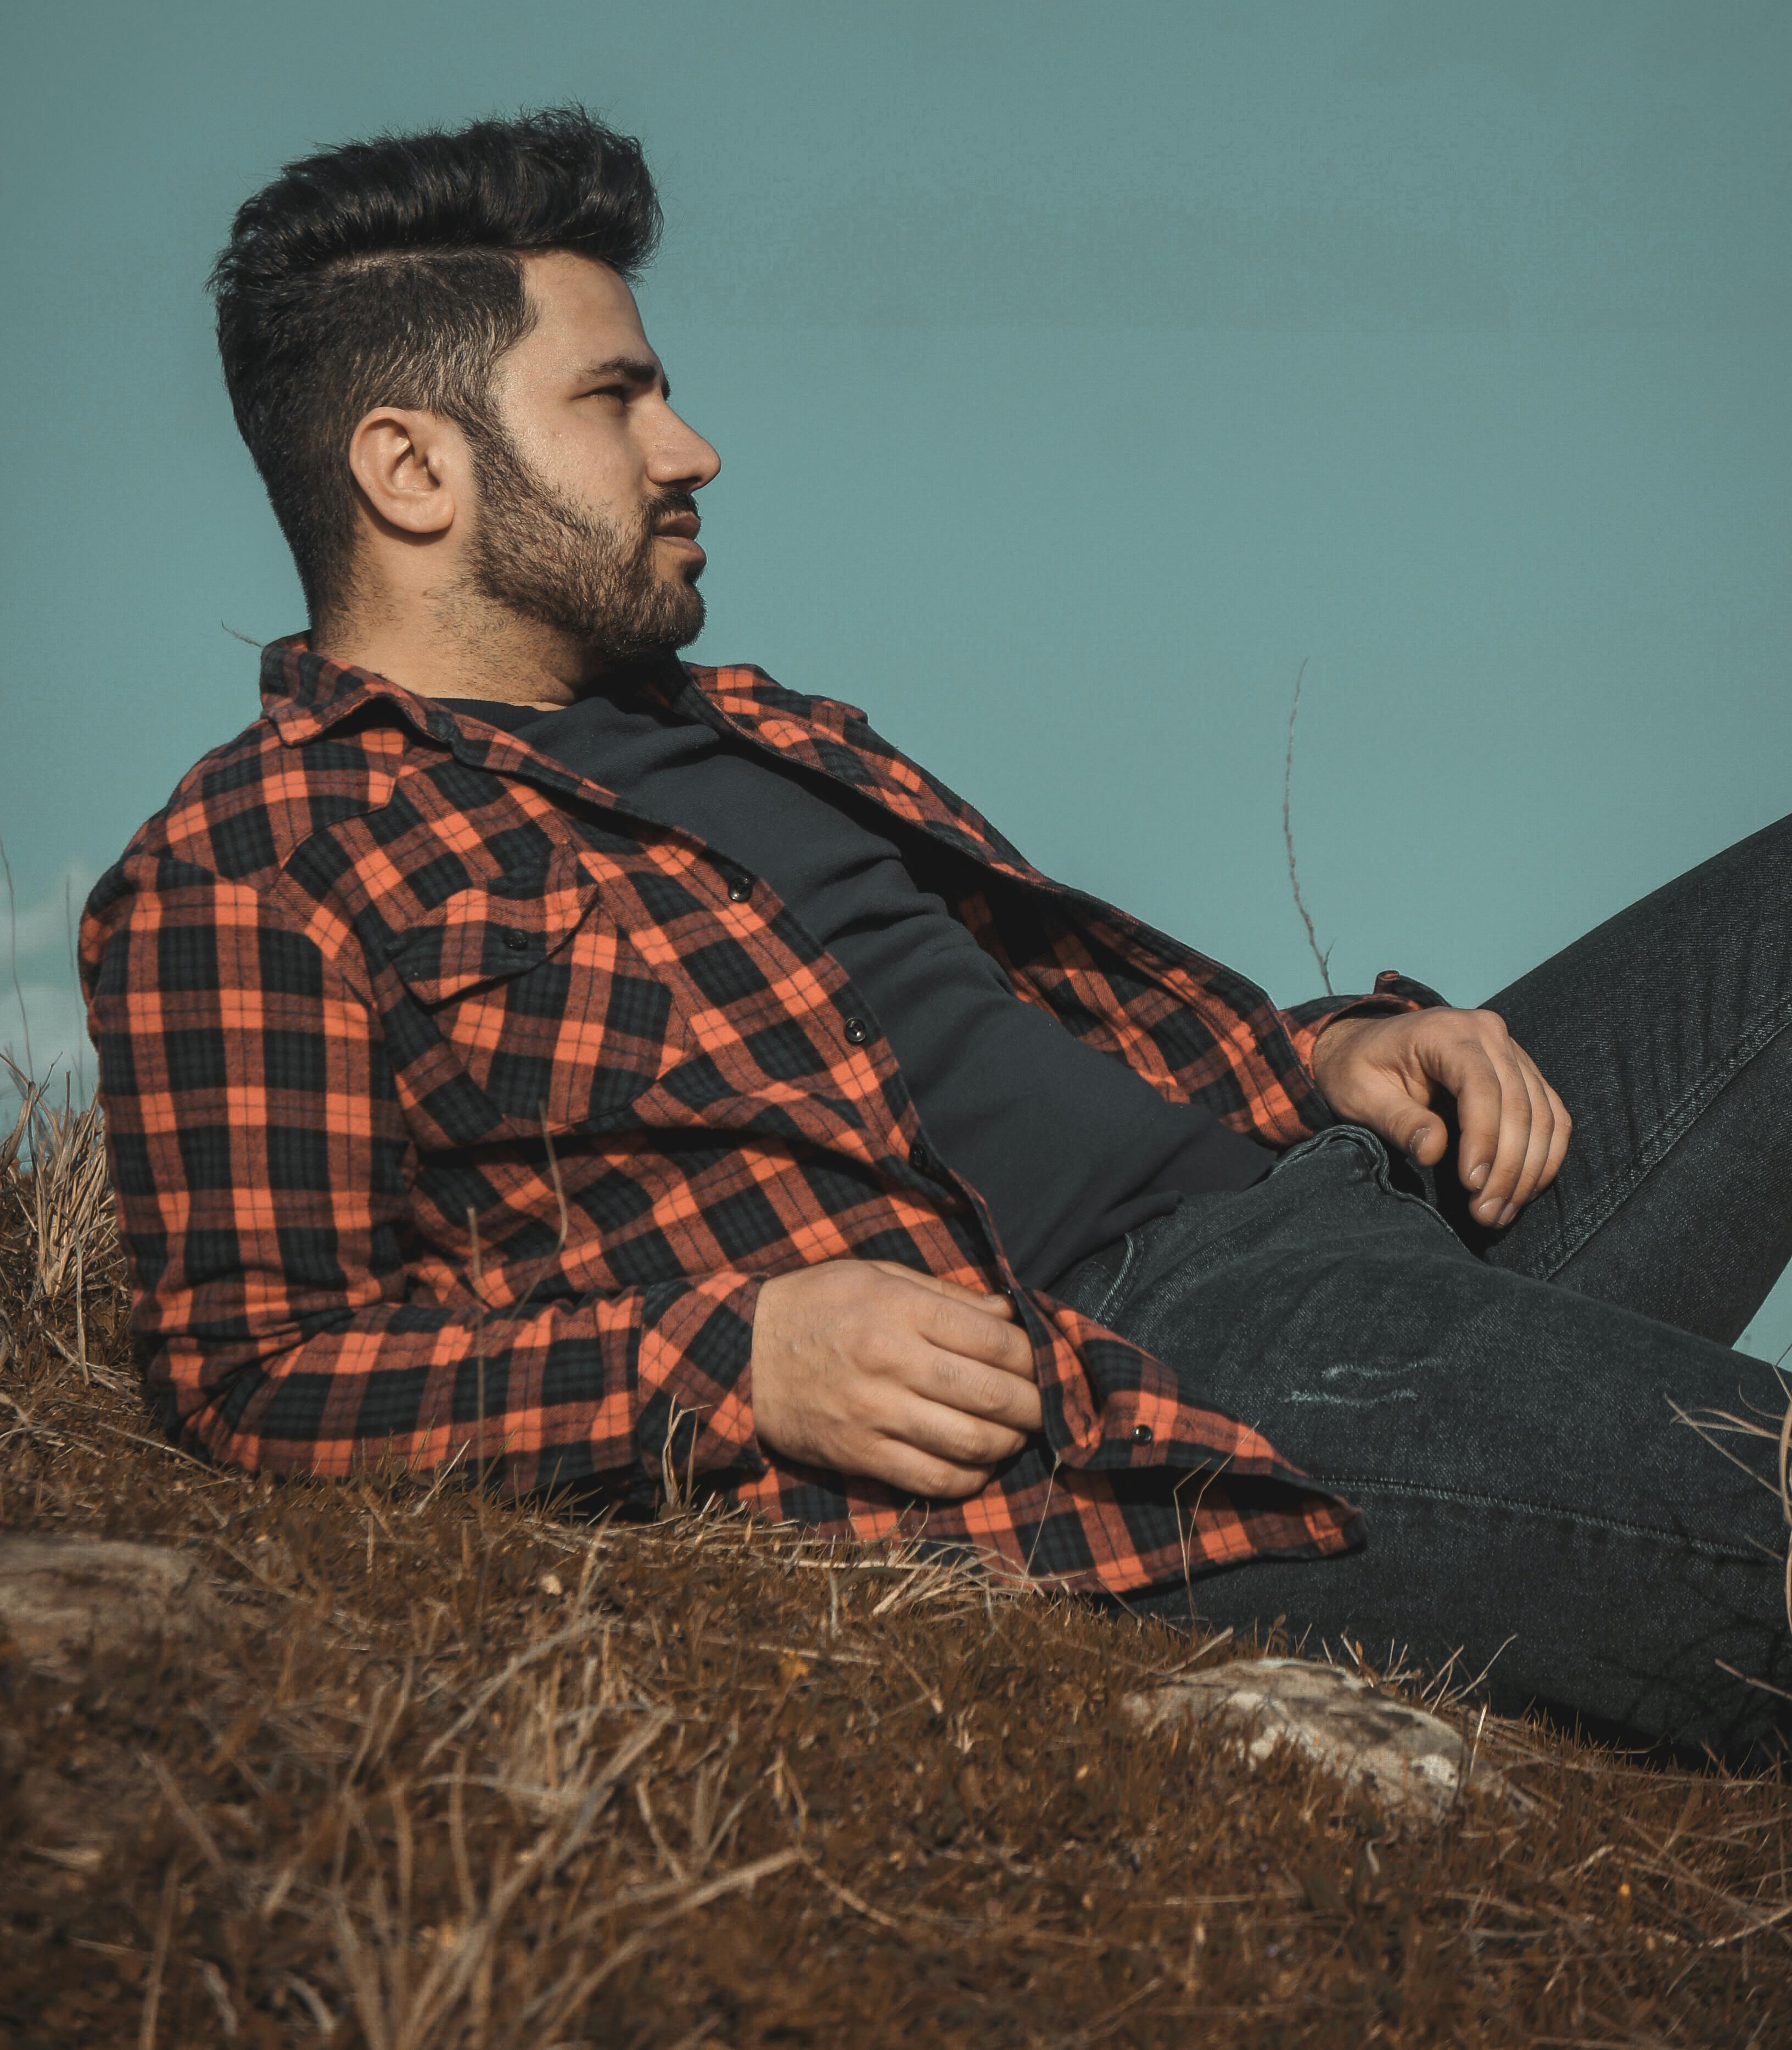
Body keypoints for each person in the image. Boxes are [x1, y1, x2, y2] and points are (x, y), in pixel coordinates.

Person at [82, 108, 1792, 1761]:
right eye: (619, 396)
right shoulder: (256, 859)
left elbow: (1030, 1033)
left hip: (1336, 1190)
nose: (692, 447)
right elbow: (259, 1367)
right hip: (1159, 1383)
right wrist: (738, 1360)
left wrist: (1325, 1050)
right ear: (409, 466)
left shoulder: (757, 723)